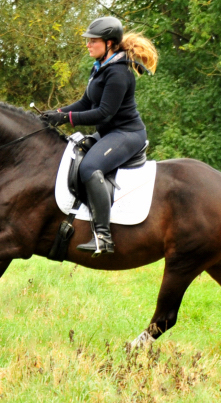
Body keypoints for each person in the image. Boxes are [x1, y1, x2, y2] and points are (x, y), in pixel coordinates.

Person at [42, 16, 158, 257]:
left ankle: (103, 236)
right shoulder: (100, 68)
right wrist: (57, 112)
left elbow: (104, 113)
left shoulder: (118, 73)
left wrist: (67, 119)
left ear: (109, 43)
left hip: (127, 135)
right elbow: (86, 102)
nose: (88, 44)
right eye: (88, 40)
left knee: (90, 168)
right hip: (110, 133)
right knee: (75, 156)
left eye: (93, 40)